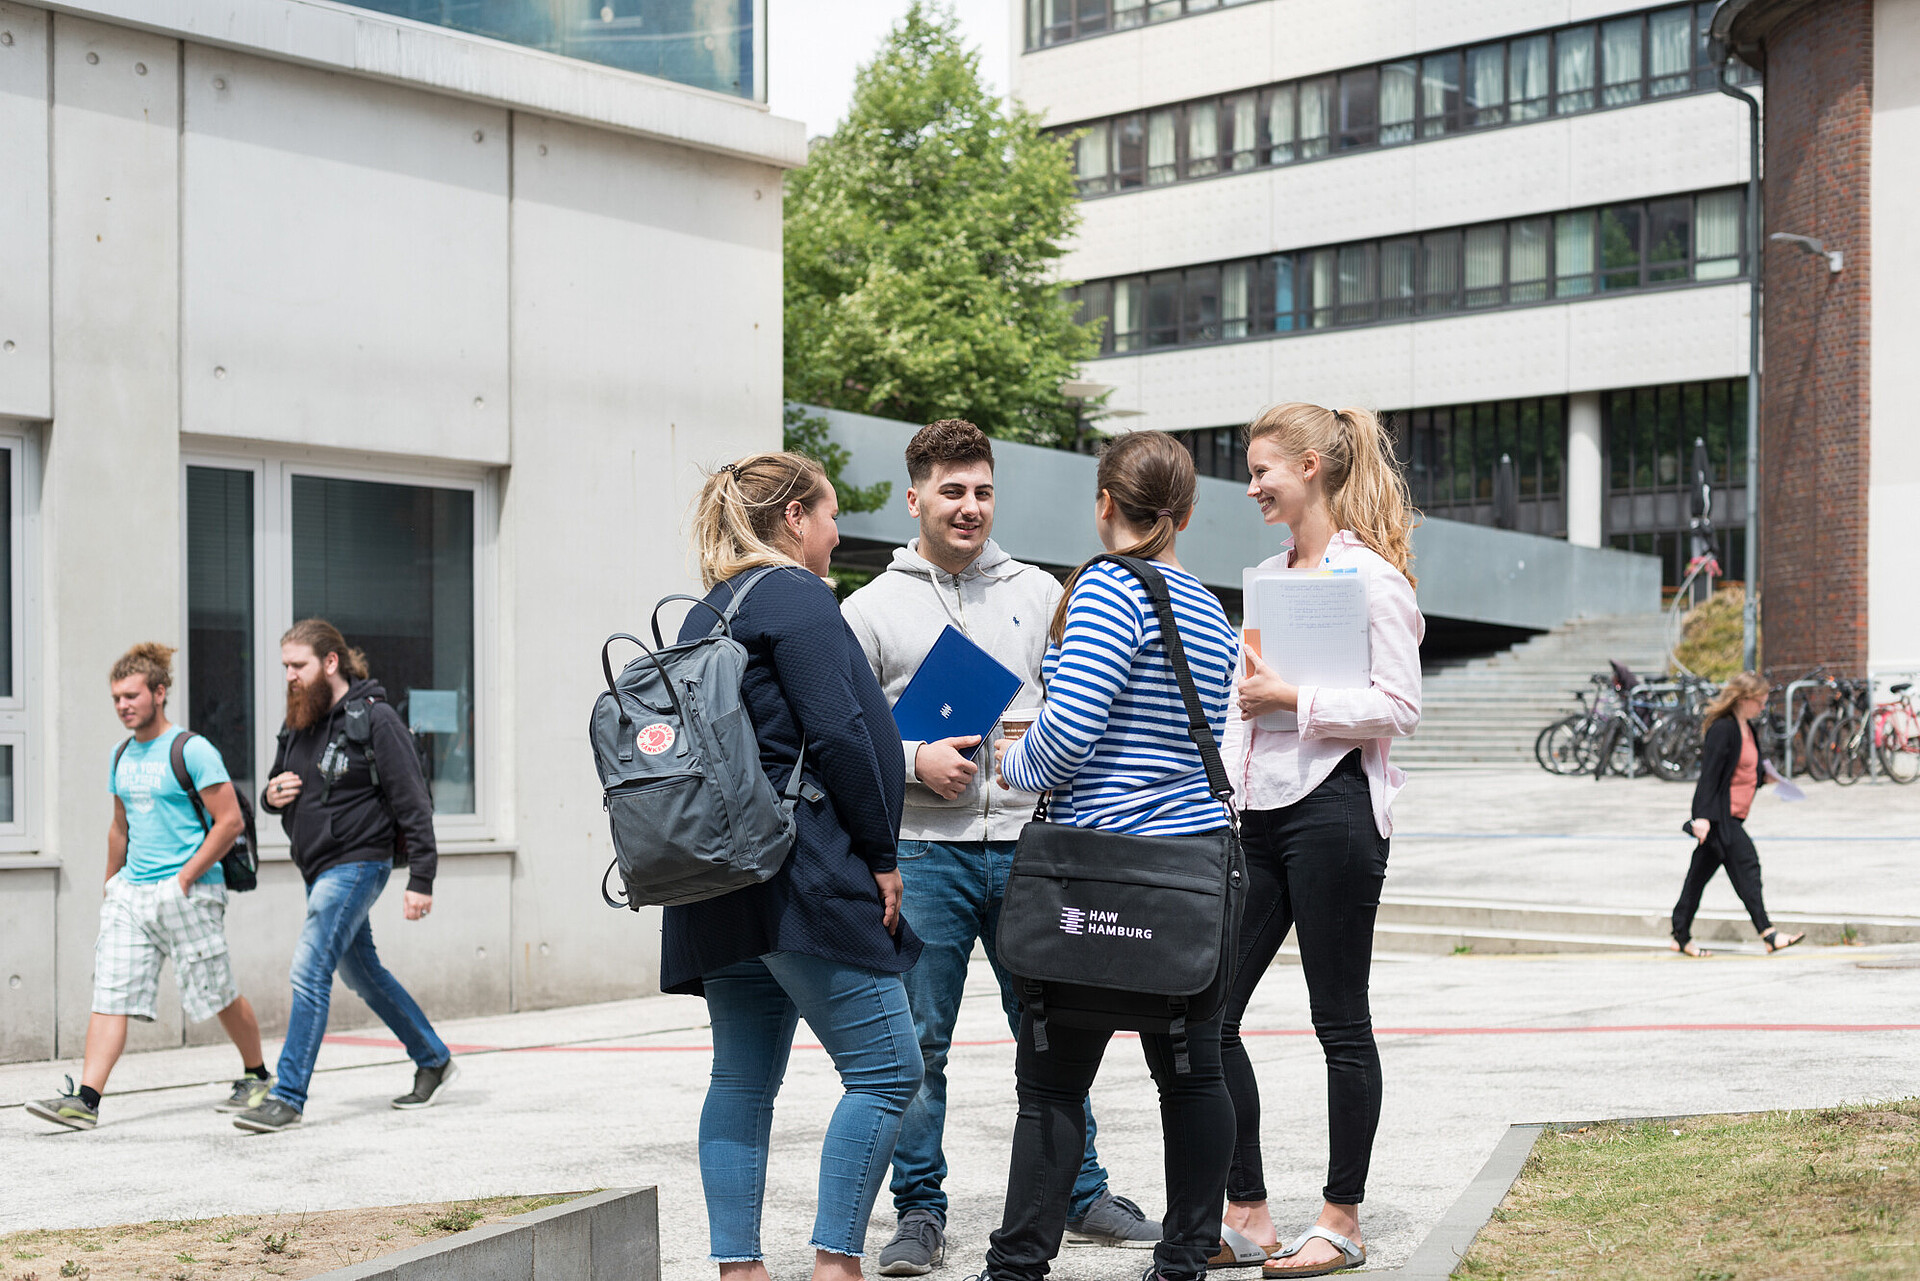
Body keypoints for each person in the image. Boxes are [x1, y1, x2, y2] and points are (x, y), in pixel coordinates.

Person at [842, 419, 1160, 1275]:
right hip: (925, 851)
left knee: (1055, 1027)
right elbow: (841, 737)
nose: (970, 506)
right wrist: (913, 759)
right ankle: (919, 1210)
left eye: (982, 490)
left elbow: (1079, 706)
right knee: (920, 1039)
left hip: (1030, 844)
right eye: (952, 491)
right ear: (915, 498)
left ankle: (1081, 1189)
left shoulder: (1044, 591)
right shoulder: (867, 609)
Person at [980, 430, 1240, 1281]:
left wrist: (1000, 759)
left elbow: (1061, 745)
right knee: (1194, 1078)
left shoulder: (1105, 590)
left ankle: (1017, 1268)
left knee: (1052, 1086)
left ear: (1104, 505)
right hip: (1189, 875)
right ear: (1188, 512)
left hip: (1098, 869)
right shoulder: (1208, 604)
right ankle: (1181, 1264)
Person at [667, 451, 924, 1281]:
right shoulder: (798, 599)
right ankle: (836, 1264)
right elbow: (845, 733)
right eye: (829, 513)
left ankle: (739, 1269)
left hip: (717, 880)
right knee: (888, 1070)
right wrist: (882, 856)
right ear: (792, 519)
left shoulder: (704, 613)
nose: (835, 531)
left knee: (741, 1080)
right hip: (799, 871)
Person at [1220, 404, 1424, 1277]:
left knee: (1338, 1018)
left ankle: (1340, 1218)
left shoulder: (1374, 579)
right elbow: (1243, 704)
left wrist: (1296, 700)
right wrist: (1223, 794)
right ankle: (1249, 1210)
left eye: (1264, 469)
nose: (1254, 484)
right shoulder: (1267, 575)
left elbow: (1401, 707)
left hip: (1336, 811)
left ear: (1310, 465)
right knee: (1207, 1012)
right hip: (1256, 815)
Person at [27, 644, 270, 1130]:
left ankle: (258, 1075)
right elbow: (120, 826)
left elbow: (230, 822)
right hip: (132, 895)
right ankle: (87, 1100)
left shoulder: (192, 750)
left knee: (216, 991)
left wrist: (182, 880)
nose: (123, 705)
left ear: (160, 693)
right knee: (111, 993)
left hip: (189, 891)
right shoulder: (121, 754)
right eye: (116, 697)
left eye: (132, 695)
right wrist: (110, 883)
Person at [231, 619, 453, 1133]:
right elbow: (275, 785)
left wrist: (423, 879)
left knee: (309, 969)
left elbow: (414, 803)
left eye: (298, 665)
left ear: (330, 662)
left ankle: (287, 1095)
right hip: (317, 865)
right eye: (285, 666)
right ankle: (434, 1058)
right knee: (362, 973)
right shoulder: (300, 719)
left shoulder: (377, 720)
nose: (289, 675)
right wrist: (270, 796)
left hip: (358, 862)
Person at [1672, 671, 1804, 958]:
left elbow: (1744, 770)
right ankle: (1768, 934)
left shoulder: (1747, 728)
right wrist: (1702, 817)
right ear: (1744, 699)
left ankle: (1680, 935)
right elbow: (1710, 776)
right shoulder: (1723, 729)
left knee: (1697, 877)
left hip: (1732, 816)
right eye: (1760, 701)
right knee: (1748, 866)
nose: (1763, 706)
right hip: (1721, 818)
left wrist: (1766, 778)